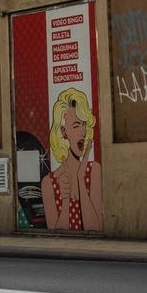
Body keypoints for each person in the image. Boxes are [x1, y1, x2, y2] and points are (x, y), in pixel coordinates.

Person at [40, 88, 103, 231]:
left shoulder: (94, 170)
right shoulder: (49, 183)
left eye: (84, 124)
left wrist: (81, 179)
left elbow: (94, 228)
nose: (83, 131)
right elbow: (56, 233)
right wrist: (65, 201)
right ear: (64, 132)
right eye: (76, 125)